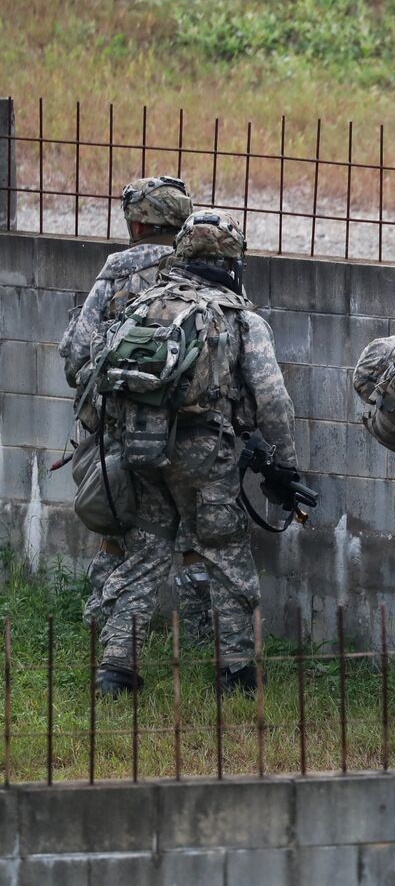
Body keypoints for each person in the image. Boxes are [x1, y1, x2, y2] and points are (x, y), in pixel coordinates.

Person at [88, 211, 300, 695]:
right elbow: (272, 400)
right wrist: (286, 462)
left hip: (140, 447)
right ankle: (237, 675)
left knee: (145, 552)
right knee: (225, 556)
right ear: (231, 260)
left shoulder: (143, 304)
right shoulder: (238, 317)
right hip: (205, 458)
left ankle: (116, 669)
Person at [59, 175, 210, 632]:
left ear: (139, 224)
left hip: (121, 431)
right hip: (192, 433)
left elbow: (75, 356)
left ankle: (102, 626)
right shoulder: (205, 270)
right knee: (195, 536)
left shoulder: (116, 272)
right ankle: (205, 637)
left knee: (118, 530)